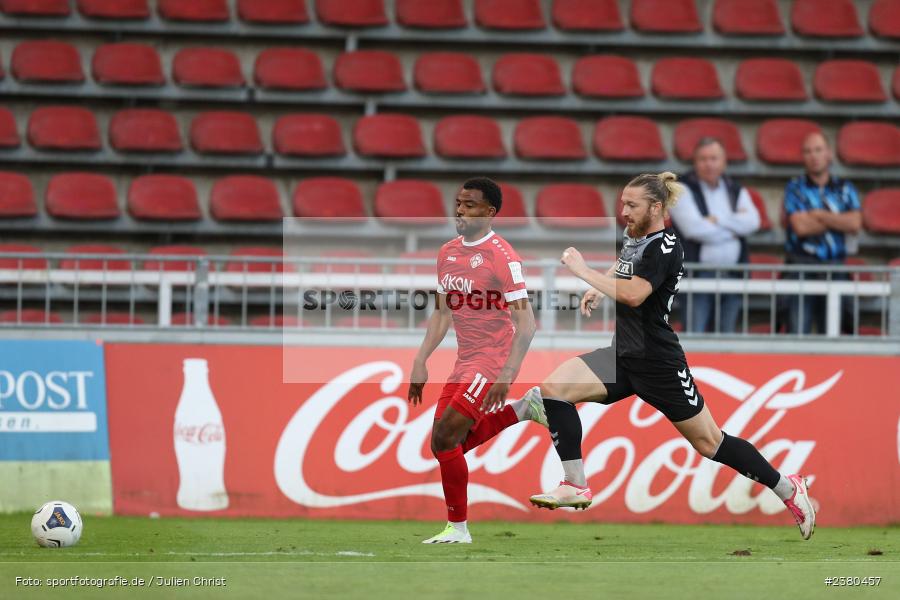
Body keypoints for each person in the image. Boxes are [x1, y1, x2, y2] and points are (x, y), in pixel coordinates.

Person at [515, 172, 816, 540]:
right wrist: (605, 280)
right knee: (555, 388)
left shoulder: (665, 246)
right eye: (623, 203)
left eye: (632, 205)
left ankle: (787, 487)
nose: (623, 210)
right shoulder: (636, 236)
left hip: (658, 362)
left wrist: (585, 273)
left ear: (656, 208)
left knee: (710, 443)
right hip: (624, 354)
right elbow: (627, 264)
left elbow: (634, 294)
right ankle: (574, 484)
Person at [407, 177, 546, 544]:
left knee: (445, 437)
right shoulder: (447, 252)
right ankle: (523, 411)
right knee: (444, 444)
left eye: (469, 205)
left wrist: (507, 373)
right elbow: (441, 314)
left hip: (491, 358)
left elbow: (526, 324)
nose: (460, 210)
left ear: (490, 212)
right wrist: (421, 359)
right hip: (463, 359)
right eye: (458, 202)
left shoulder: (502, 256)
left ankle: (458, 529)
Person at [669, 137, 760, 333]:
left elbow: (753, 222)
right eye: (703, 159)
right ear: (695, 162)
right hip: (697, 275)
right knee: (695, 334)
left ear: (724, 161)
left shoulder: (735, 188)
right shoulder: (680, 189)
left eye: (714, 158)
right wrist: (735, 227)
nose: (709, 163)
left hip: (733, 274)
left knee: (726, 336)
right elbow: (693, 229)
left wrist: (716, 220)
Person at [782, 132, 862, 334]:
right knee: (798, 329)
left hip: (835, 268)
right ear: (803, 157)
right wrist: (837, 219)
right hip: (800, 265)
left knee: (833, 331)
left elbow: (855, 223)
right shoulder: (794, 187)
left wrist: (819, 215)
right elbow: (800, 227)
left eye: (818, 150)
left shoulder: (845, 188)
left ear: (829, 153)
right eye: (808, 151)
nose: (813, 156)